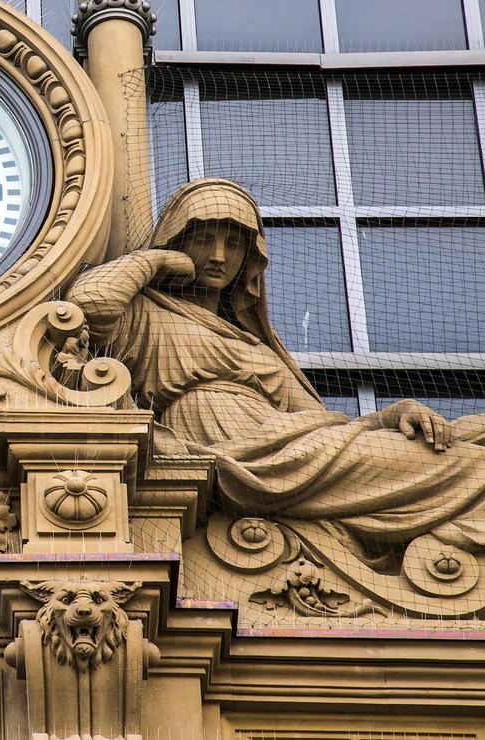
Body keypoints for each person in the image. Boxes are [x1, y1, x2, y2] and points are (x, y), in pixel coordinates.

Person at [68, 178, 485, 570]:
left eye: (233, 244)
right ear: (178, 239)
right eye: (202, 238)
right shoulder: (150, 315)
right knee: (467, 467)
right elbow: (91, 302)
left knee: (465, 454)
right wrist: (157, 259)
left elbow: (320, 423)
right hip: (238, 455)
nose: (217, 256)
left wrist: (390, 415)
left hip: (295, 450)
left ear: (250, 258)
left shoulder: (258, 348)